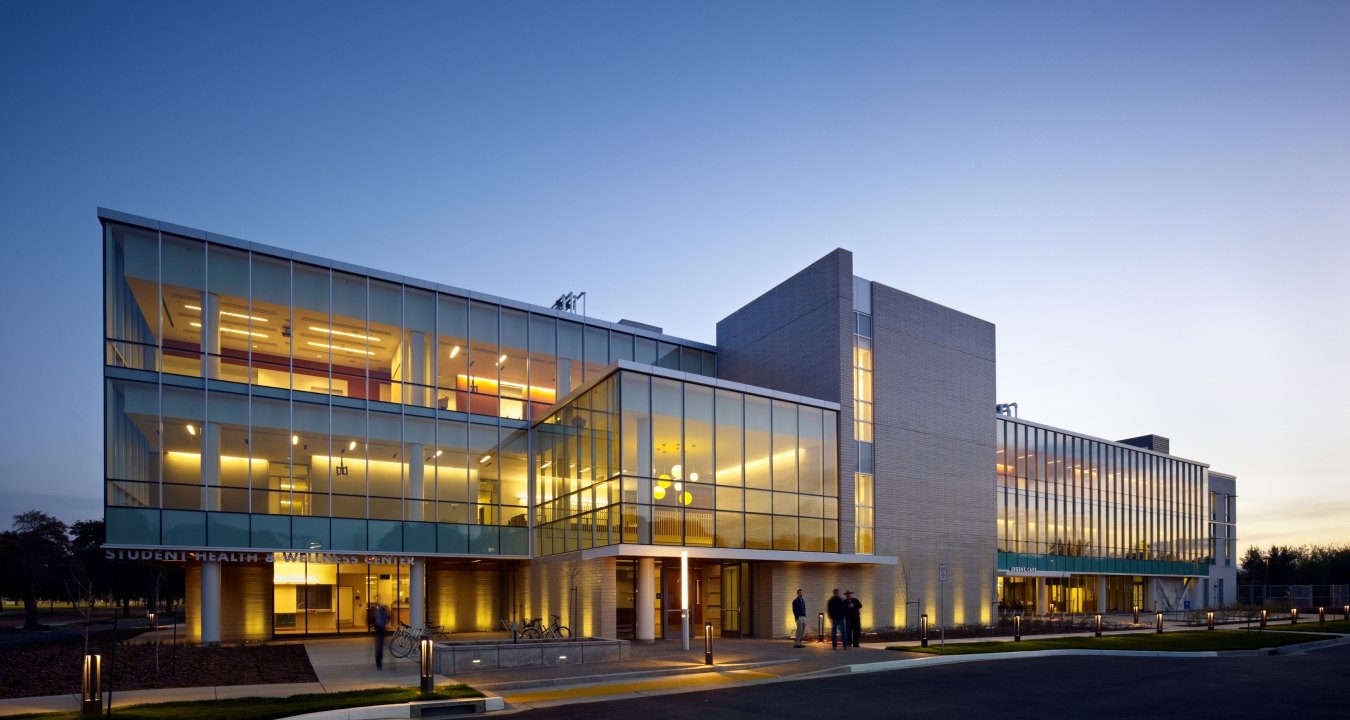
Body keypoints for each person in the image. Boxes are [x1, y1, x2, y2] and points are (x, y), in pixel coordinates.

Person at [372, 596, 390, 669]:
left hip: (380, 629)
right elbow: (388, 617)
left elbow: (388, 617)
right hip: (380, 629)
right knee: (379, 647)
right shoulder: (380, 608)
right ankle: (379, 662)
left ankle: (379, 662)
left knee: (379, 647)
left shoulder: (380, 609)